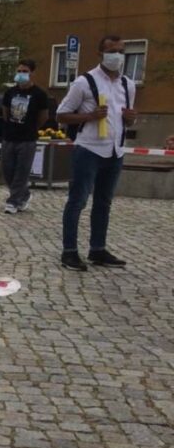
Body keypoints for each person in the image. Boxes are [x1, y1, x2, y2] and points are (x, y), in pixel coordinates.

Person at [57, 34, 137, 271]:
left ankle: (98, 249)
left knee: (104, 202)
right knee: (78, 201)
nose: (117, 56)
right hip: (89, 149)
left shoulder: (128, 84)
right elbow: (61, 115)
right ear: (101, 54)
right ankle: (69, 251)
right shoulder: (84, 82)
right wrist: (89, 116)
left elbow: (126, 120)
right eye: (112, 51)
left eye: (121, 51)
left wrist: (130, 119)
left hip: (115, 150)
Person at [1, 58, 49, 214]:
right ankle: (25, 194)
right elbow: (5, 112)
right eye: (19, 71)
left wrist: (32, 128)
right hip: (9, 137)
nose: (21, 74)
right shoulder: (10, 92)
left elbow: (44, 116)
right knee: (8, 171)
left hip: (27, 139)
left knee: (22, 171)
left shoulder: (39, 94)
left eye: (25, 71)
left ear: (32, 73)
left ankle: (13, 202)